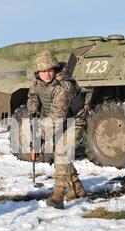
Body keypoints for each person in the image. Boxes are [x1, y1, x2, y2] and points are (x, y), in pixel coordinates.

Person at [27, 50, 88, 209]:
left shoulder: (63, 86)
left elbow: (57, 117)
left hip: (73, 120)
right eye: (43, 71)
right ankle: (77, 189)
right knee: (59, 154)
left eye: (50, 70)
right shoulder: (36, 81)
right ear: (37, 73)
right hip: (57, 120)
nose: (47, 74)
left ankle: (58, 195)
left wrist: (39, 136)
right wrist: (33, 110)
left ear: (55, 69)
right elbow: (33, 95)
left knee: (61, 152)